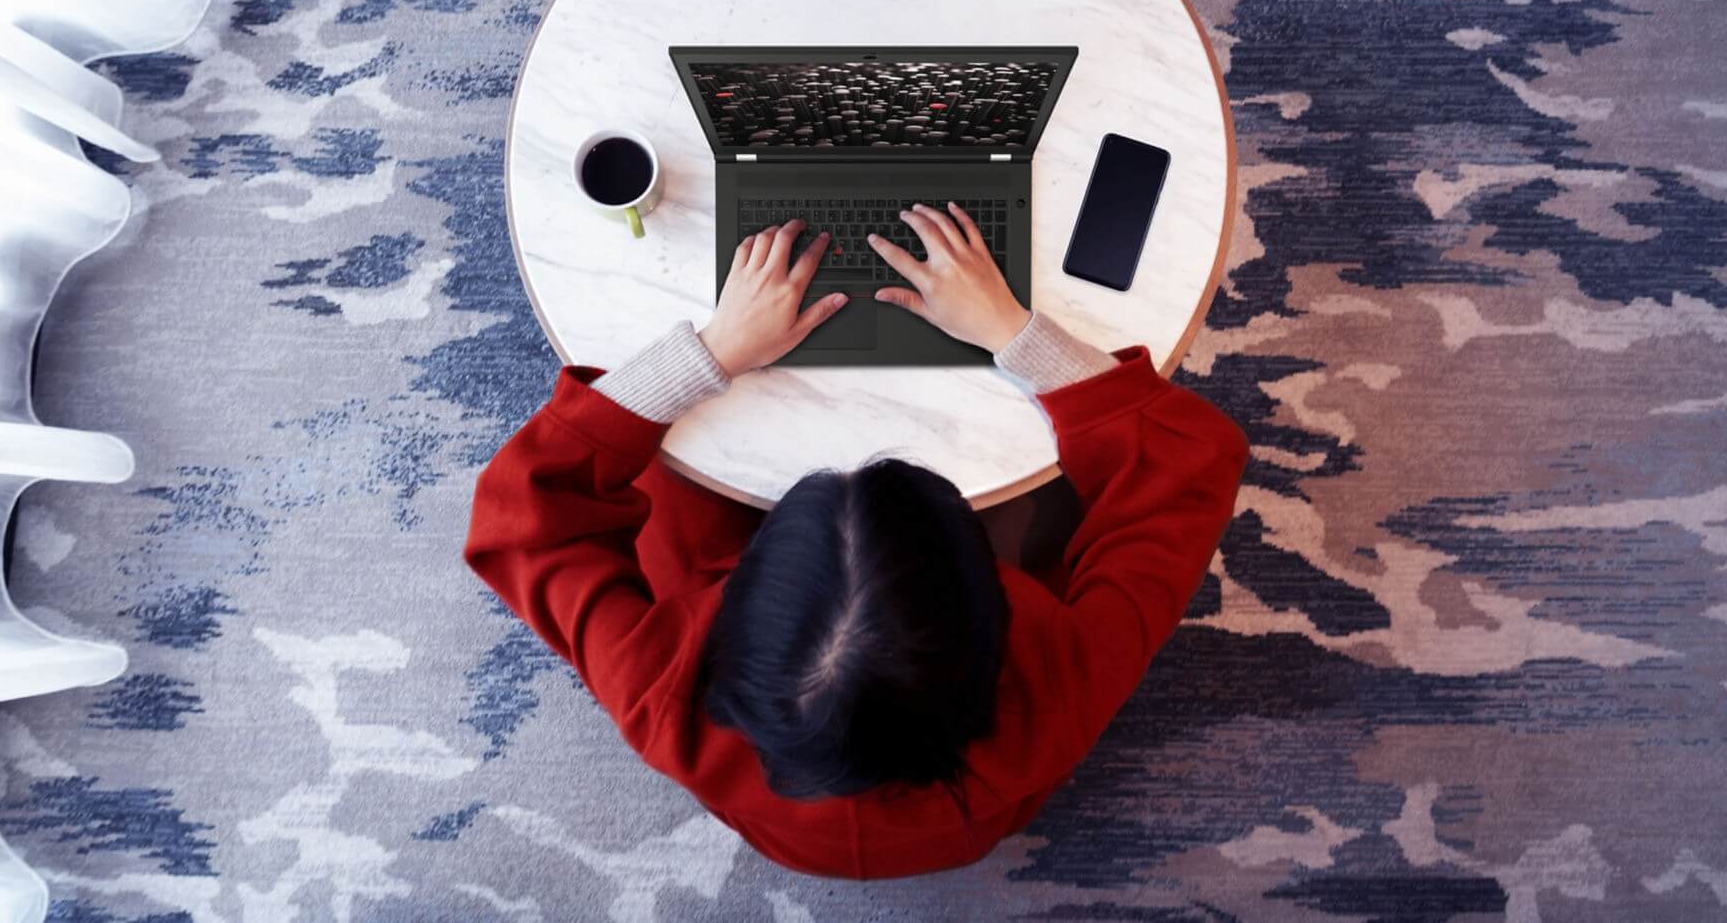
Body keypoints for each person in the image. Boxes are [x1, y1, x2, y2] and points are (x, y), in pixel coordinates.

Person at [465, 203, 1248, 878]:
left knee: (679, 477)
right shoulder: (1059, 696)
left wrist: (710, 353)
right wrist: (1014, 333)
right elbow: (1186, 460)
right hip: (975, 809)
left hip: (785, 825)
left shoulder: (661, 697)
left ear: (735, 618)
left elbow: (520, 514)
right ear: (985, 610)